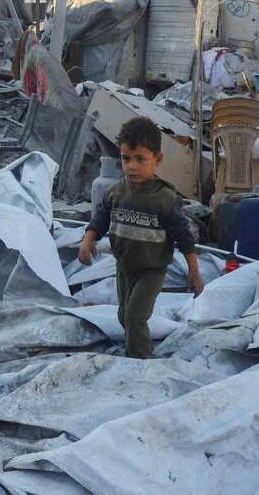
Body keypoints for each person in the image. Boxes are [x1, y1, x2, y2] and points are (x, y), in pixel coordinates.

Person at [79, 117, 204, 358]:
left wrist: (194, 271)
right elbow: (99, 220)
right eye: (126, 159)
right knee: (123, 315)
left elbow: (184, 237)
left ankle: (141, 363)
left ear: (157, 159)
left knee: (135, 316)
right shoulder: (116, 191)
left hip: (151, 269)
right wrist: (88, 240)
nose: (132, 166)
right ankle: (136, 346)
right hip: (125, 266)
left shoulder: (165, 198)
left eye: (140, 159)